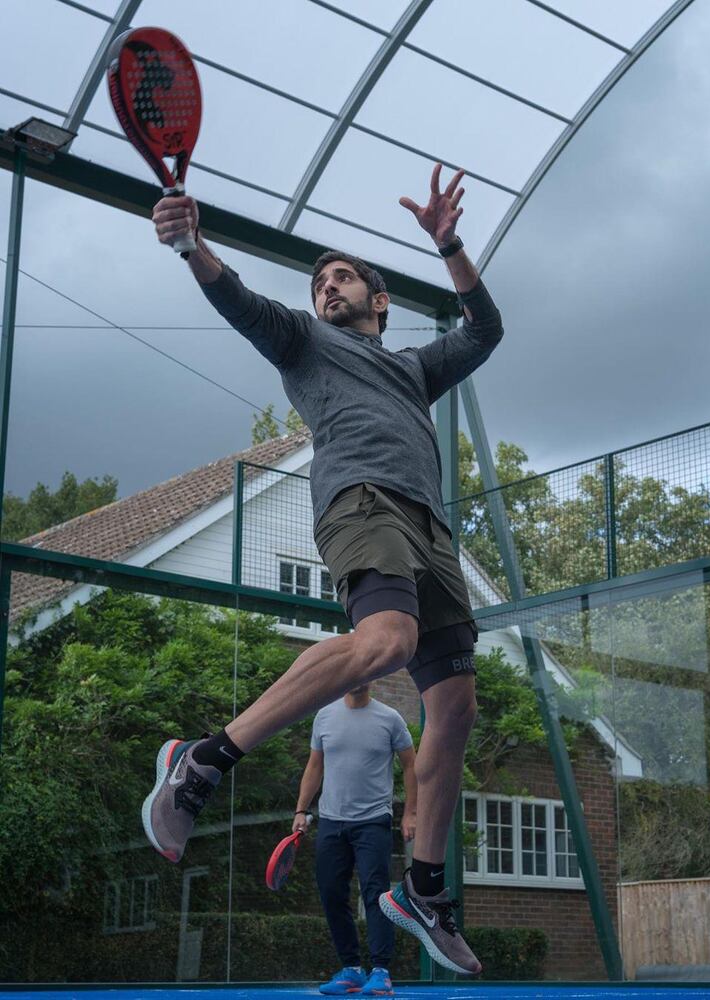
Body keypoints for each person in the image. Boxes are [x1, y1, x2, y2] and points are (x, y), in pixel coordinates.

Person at [142, 162, 503, 975]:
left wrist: (449, 245)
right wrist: (192, 244)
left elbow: (484, 330)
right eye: (319, 279)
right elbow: (239, 301)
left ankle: (424, 890)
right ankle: (200, 761)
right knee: (384, 642)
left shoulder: (413, 368)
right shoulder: (305, 341)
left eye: (343, 276)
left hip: (431, 528)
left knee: (456, 704)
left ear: (382, 301)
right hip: (361, 502)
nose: (326, 286)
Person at [295, 683, 416, 996]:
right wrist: (300, 810)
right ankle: (351, 969)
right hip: (331, 821)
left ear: (372, 677)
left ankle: (381, 972)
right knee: (332, 893)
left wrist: (410, 813)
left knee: (376, 894)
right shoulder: (324, 716)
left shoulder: (390, 719)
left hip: (374, 820)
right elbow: (315, 765)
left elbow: (410, 765)